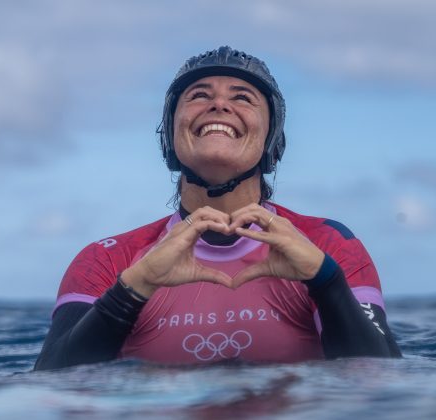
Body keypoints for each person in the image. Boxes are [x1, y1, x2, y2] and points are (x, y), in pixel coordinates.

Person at [34, 46, 401, 370]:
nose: (219, 104)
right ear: (170, 137)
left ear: (273, 140)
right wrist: (134, 288)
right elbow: (54, 388)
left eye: (242, 97)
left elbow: (377, 381)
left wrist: (325, 281)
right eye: (198, 95)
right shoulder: (107, 261)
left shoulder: (328, 244)